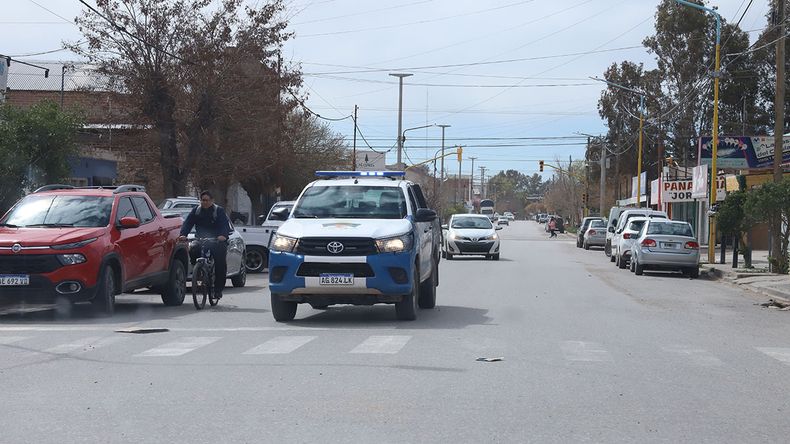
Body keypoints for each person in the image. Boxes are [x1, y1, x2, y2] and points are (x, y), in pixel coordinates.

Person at [178, 191, 231, 299]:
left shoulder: (218, 211)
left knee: (220, 263)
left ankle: (217, 290)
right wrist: (183, 234)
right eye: (202, 200)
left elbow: (224, 225)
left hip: (217, 240)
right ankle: (199, 270)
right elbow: (188, 223)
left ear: (212, 201)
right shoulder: (196, 211)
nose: (204, 202)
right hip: (201, 239)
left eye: (207, 200)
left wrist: (223, 235)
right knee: (193, 249)